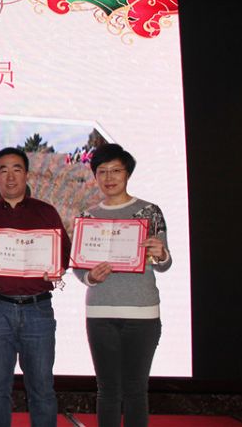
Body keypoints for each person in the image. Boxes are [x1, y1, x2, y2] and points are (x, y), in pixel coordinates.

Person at [0, 147, 70, 427]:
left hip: (38, 309)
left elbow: (63, 253)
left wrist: (56, 267)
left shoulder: (46, 213)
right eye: (3, 170)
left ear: (27, 174)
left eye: (16, 169)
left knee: (42, 388)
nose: (10, 177)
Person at [73, 143, 171, 427]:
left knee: (136, 391)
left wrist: (162, 254)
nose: (109, 177)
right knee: (107, 391)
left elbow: (163, 263)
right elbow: (79, 267)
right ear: (95, 176)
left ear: (127, 173)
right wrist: (91, 277)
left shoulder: (149, 211)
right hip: (100, 312)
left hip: (142, 312)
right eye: (102, 171)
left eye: (116, 170)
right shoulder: (88, 216)